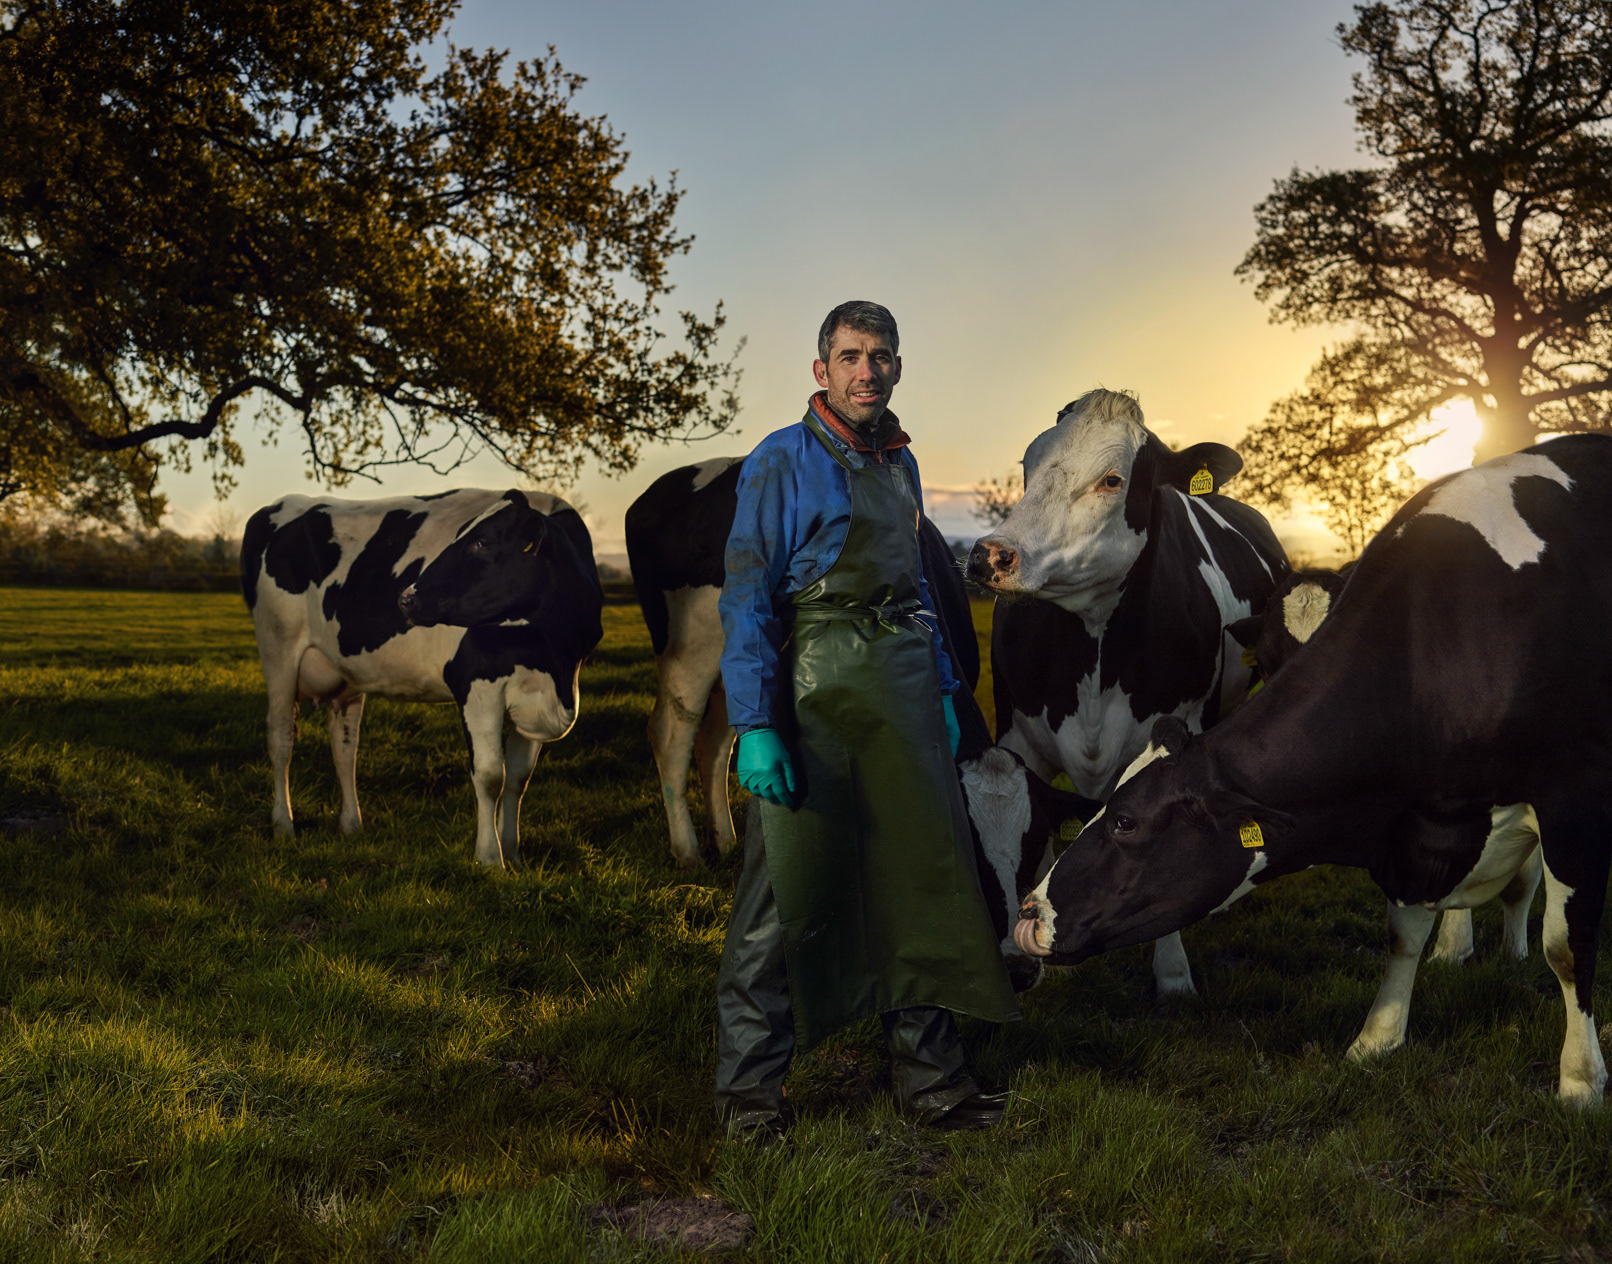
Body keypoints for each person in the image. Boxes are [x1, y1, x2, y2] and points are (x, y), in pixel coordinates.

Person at [714, 300, 1018, 1140]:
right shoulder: (780, 461)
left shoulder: (900, 464)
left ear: (896, 367)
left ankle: (933, 1085)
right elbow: (745, 598)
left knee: (923, 888)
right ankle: (749, 1105)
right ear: (822, 370)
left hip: (905, 692)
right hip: (814, 698)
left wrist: (951, 695)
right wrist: (755, 722)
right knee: (779, 905)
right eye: (849, 356)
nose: (866, 371)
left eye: (880, 356)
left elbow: (919, 593)